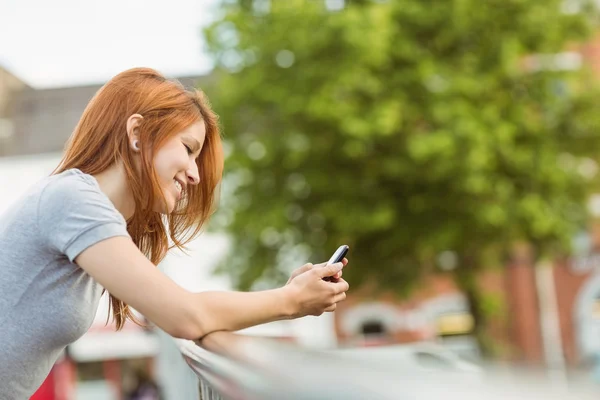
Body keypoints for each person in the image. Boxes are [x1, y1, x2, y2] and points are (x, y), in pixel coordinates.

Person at [0, 67, 349, 398]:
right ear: (136, 134)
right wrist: (291, 301)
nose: (195, 175)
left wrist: (290, 293)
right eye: (188, 148)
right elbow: (186, 315)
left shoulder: (87, 213)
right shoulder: (73, 200)